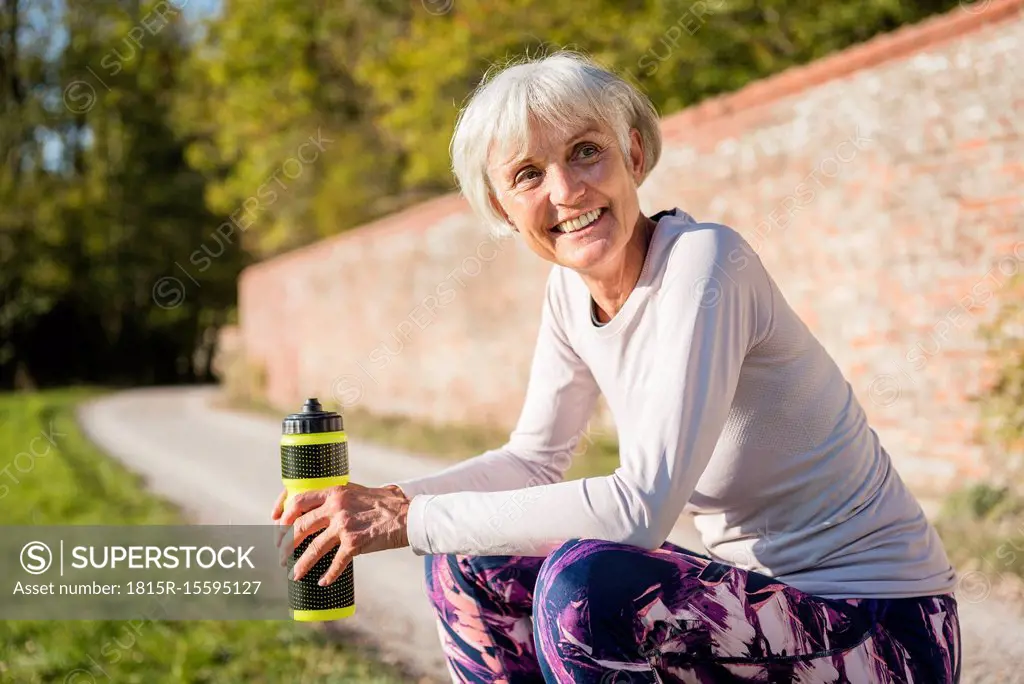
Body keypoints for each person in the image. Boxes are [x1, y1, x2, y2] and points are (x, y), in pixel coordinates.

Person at [271, 50, 961, 683]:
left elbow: (641, 508)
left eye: (586, 152)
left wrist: (409, 518)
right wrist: (381, 503)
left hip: (886, 631)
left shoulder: (706, 262)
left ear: (633, 153)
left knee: (589, 587)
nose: (567, 190)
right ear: (504, 211)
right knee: (471, 561)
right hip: (766, 615)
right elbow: (533, 460)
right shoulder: (569, 295)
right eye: (528, 175)